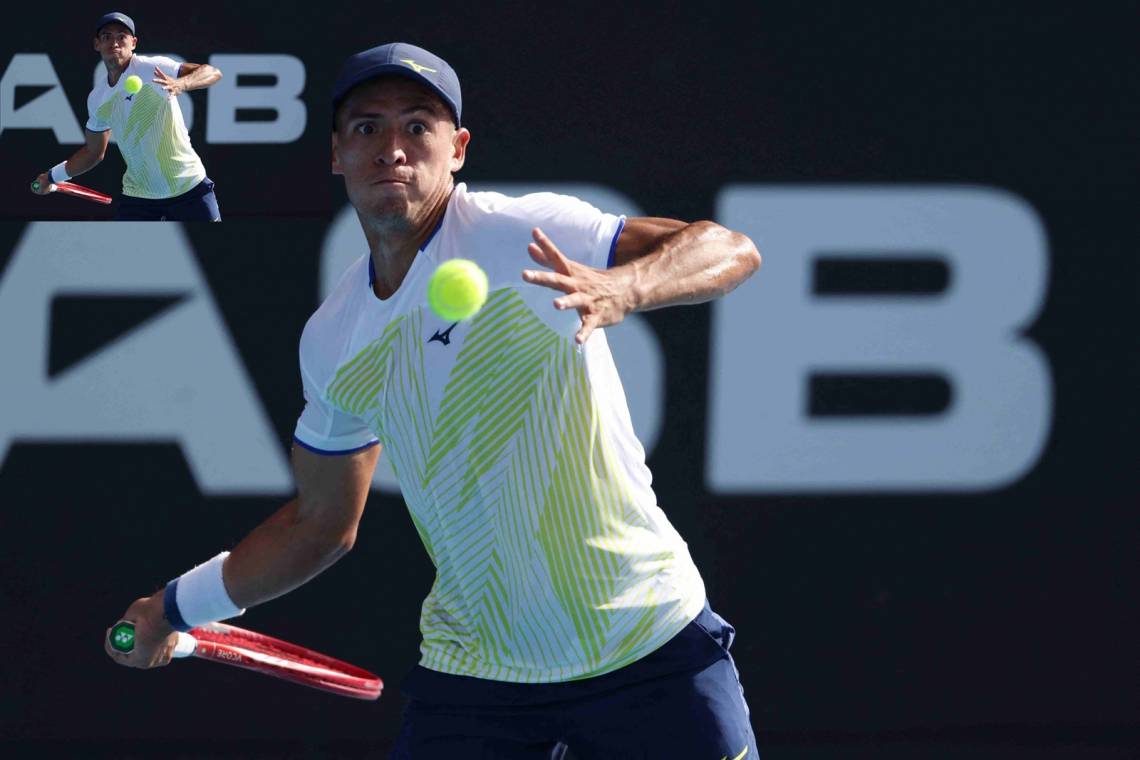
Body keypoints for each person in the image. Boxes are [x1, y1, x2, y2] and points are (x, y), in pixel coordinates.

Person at [106, 42, 762, 758]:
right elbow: (321, 526)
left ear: (458, 149)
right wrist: (174, 606)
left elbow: (727, 248)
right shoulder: (334, 339)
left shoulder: (520, 235)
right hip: (478, 678)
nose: (393, 148)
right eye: (367, 128)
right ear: (337, 154)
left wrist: (623, 287)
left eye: (418, 126)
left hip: (648, 643)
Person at [31, 12, 222, 221]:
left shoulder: (152, 68)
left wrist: (181, 84)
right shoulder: (97, 99)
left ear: (133, 43)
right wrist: (51, 176)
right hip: (138, 199)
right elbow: (93, 153)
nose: (114, 42)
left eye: (121, 36)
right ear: (97, 44)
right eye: (106, 37)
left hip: (189, 188)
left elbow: (212, 72)